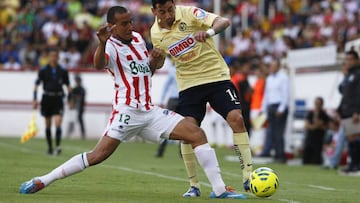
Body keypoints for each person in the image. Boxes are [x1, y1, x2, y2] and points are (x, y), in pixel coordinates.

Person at [19, 6, 246, 199]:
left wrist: (155, 62)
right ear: (112, 27)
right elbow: (99, 65)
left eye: (131, 21)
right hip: (126, 113)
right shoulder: (109, 45)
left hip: (149, 111)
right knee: (97, 156)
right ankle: (43, 180)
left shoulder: (138, 39)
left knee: (197, 134)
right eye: (124, 23)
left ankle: (218, 190)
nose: (130, 26)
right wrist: (100, 44)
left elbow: (147, 71)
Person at [150, 0, 253, 196]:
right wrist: (155, 59)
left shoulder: (189, 13)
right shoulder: (155, 33)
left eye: (170, 9)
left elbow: (224, 21)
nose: (168, 15)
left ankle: (248, 176)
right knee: (188, 131)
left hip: (216, 77)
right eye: (162, 12)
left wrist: (208, 33)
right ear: (154, 11)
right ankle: (194, 185)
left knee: (237, 119)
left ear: (174, 5)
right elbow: (161, 61)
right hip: (189, 85)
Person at [32, 48, 72, 155]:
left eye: (55, 56)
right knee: (48, 124)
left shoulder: (63, 71)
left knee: (58, 122)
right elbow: (36, 84)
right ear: (49, 57)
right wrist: (35, 99)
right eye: (52, 55)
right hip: (47, 98)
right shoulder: (43, 70)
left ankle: (58, 146)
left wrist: (70, 99)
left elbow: (68, 86)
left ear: (58, 57)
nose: (53, 58)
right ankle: (50, 147)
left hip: (58, 98)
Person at [260, 58, 289, 163]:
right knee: (272, 132)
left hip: (279, 106)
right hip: (271, 106)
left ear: (278, 67)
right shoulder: (269, 79)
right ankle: (276, 154)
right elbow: (266, 95)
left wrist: (281, 108)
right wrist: (263, 108)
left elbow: (285, 94)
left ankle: (280, 155)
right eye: (270, 66)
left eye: (273, 66)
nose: (271, 68)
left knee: (278, 132)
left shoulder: (283, 78)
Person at [337, 50, 360, 175]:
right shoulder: (349, 75)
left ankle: (357, 166)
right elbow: (342, 91)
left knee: (355, 137)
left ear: (357, 60)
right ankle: (352, 165)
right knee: (350, 138)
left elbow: (358, 94)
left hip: (354, 111)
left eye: (350, 59)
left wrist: (357, 110)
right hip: (346, 111)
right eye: (346, 59)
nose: (348, 62)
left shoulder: (358, 74)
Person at [156, 56, 179, 158]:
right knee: (168, 125)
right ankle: (161, 151)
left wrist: (162, 99)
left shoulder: (174, 70)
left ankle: (182, 153)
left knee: (168, 125)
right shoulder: (173, 70)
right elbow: (166, 85)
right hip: (176, 99)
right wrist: (161, 99)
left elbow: (166, 85)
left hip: (178, 99)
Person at [302, 96, 330, 165]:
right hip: (309, 139)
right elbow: (306, 125)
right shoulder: (310, 113)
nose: (317, 105)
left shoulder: (324, 115)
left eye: (318, 104)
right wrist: (315, 126)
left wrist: (315, 123)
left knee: (316, 159)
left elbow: (324, 126)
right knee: (306, 158)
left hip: (318, 140)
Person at [67, 75, 86, 139]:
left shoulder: (82, 90)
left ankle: (83, 134)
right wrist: (70, 103)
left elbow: (81, 99)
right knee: (72, 121)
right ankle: (69, 133)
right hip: (74, 108)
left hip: (80, 108)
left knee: (80, 120)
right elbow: (69, 98)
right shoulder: (74, 89)